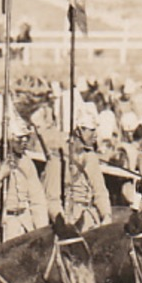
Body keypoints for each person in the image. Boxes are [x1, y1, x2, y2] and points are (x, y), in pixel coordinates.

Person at [0, 94, 49, 249]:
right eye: (19, 139)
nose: (24, 142)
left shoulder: (26, 162)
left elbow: (38, 200)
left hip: (23, 226)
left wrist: (41, 230)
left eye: (26, 138)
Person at [46, 98, 113, 230]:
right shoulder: (58, 158)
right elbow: (51, 198)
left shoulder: (91, 157)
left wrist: (106, 215)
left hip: (90, 219)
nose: (95, 135)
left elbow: (100, 191)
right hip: (67, 220)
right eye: (91, 130)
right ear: (78, 131)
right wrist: (61, 221)